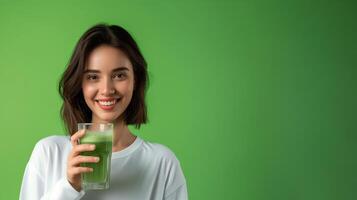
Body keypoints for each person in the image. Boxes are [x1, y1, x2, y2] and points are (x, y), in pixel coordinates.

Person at [20, 23, 188, 200]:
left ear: (136, 80)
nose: (107, 89)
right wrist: (69, 186)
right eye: (93, 77)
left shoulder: (162, 163)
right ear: (80, 83)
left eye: (119, 75)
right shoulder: (49, 153)